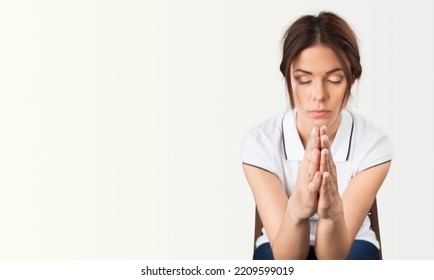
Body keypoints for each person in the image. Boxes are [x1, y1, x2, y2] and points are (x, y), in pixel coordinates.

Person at [240, 11, 393, 260]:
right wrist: (297, 207)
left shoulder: (373, 144)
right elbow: (287, 258)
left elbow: (332, 258)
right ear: (288, 79)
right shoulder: (260, 143)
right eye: (304, 80)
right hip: (280, 243)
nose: (318, 94)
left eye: (334, 79)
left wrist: (332, 213)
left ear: (352, 78)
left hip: (350, 243)